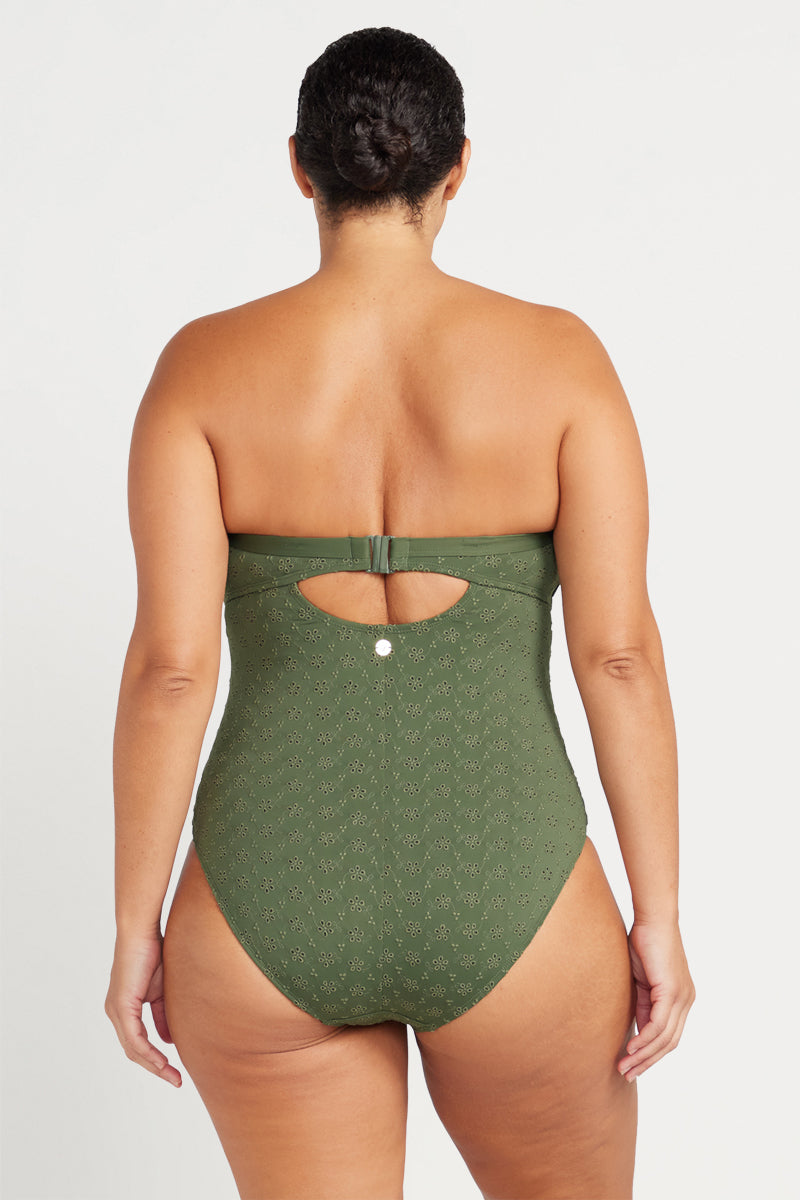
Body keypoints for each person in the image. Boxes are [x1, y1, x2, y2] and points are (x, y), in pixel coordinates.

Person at [104, 25, 694, 1200]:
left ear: (299, 165)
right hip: (514, 898)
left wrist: (134, 928)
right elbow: (617, 657)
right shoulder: (558, 361)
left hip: (264, 899)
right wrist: (659, 914)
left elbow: (172, 669)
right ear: (456, 167)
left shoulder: (202, 368)